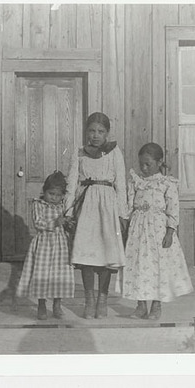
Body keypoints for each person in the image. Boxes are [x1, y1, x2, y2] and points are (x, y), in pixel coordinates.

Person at [65, 112, 128, 319]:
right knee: (87, 255)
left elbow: (121, 184)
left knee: (106, 254)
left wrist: (122, 213)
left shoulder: (114, 152)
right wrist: (68, 211)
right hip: (86, 208)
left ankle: (103, 297)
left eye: (100, 131)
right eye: (91, 131)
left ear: (107, 133)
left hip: (108, 207)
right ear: (86, 132)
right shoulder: (79, 153)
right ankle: (89, 299)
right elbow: (72, 183)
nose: (95, 135)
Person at [122, 143, 193, 320]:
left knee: (157, 267)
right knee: (139, 266)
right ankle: (140, 306)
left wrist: (170, 231)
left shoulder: (166, 183)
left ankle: (156, 305)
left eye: (148, 164)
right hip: (138, 228)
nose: (144, 168)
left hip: (158, 230)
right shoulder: (136, 181)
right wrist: (125, 226)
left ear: (159, 162)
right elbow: (129, 205)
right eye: (141, 164)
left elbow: (173, 209)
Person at [16, 171, 75, 320]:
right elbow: (38, 223)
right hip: (44, 244)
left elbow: (66, 224)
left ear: (62, 196)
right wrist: (55, 222)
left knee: (59, 275)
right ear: (44, 191)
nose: (54, 198)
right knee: (42, 275)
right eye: (51, 194)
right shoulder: (38, 204)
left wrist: (67, 223)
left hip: (60, 244)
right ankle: (41, 305)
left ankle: (57, 305)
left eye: (58, 195)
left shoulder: (63, 206)